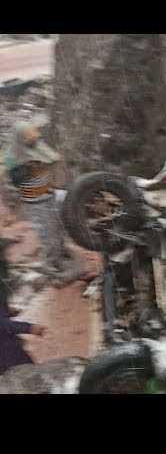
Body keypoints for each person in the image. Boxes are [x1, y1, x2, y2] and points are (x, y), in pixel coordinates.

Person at [3, 120, 74, 275]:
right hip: (35, 202)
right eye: (28, 139)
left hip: (49, 192)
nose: (32, 141)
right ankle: (53, 261)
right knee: (47, 231)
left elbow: (50, 156)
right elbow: (16, 181)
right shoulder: (12, 156)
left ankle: (61, 250)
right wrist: (28, 167)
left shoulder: (36, 146)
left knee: (59, 224)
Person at [0, 238, 46, 375]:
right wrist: (29, 328)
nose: (6, 254)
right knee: (26, 373)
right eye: (3, 251)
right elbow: (2, 324)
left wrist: (7, 310)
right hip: (5, 346)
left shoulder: (3, 269)